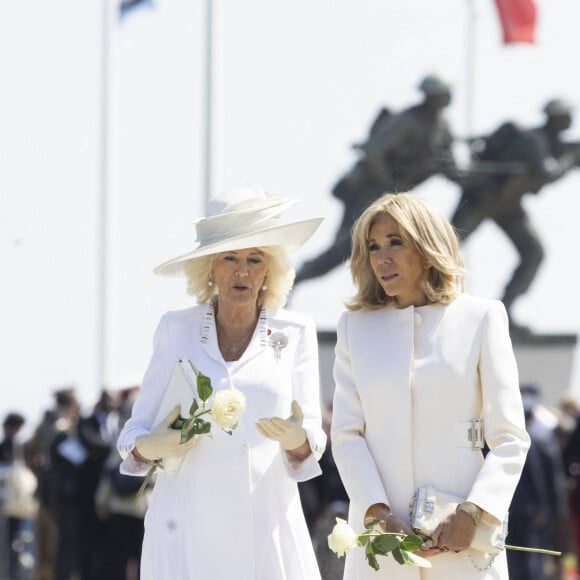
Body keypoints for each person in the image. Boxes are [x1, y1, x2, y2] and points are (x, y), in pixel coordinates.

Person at [117, 184, 327, 580]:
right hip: (185, 524)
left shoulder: (296, 330)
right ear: (210, 266)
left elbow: (312, 437)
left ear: (270, 268)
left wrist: (296, 439)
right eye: (229, 257)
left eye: (254, 258)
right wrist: (149, 446)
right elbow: (133, 434)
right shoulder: (174, 329)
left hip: (266, 524)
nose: (242, 271)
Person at [330, 192, 530, 578]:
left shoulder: (481, 318)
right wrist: (378, 514)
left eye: (395, 242)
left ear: (426, 248)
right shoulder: (355, 329)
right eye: (373, 247)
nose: (381, 257)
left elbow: (510, 438)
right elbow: (346, 436)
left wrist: (473, 514)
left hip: (463, 544)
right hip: (381, 548)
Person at [295, 74, 457, 286]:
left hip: (391, 199)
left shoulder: (442, 126)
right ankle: (296, 279)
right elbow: (374, 153)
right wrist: (389, 185)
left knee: (379, 248)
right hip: (369, 192)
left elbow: (450, 165)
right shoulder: (408, 121)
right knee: (348, 248)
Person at [451, 98, 580, 338]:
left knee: (533, 252)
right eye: (567, 115)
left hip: (508, 205)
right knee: (443, 250)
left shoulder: (553, 143)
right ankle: (419, 303)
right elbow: (548, 172)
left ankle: (506, 310)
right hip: (485, 198)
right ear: (556, 118)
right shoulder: (533, 140)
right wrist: (570, 159)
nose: (572, 120)